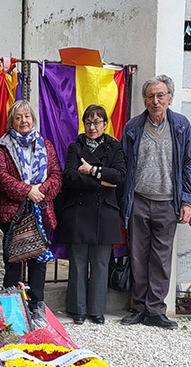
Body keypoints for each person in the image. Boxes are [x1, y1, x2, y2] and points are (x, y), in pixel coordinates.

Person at [119, 75, 191, 329]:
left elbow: (190, 165)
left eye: (160, 95)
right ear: (144, 99)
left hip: (167, 202)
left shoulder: (182, 126)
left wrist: (187, 201)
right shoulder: (133, 127)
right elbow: (125, 166)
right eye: (151, 96)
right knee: (138, 256)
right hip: (139, 200)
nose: (155, 101)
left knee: (161, 258)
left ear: (170, 98)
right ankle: (140, 307)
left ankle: (156, 309)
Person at [59, 105, 126, 324]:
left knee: (100, 262)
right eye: (88, 122)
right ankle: (77, 309)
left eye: (97, 122)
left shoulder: (114, 146)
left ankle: (96, 309)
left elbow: (118, 176)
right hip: (78, 212)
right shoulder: (75, 146)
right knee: (78, 262)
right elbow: (68, 177)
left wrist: (91, 170)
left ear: (105, 124)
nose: (92, 127)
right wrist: (102, 181)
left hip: (104, 212)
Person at [0, 100, 62, 311]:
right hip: (14, 213)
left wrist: (39, 192)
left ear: (33, 119)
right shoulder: (2, 146)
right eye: (18, 117)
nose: (23, 121)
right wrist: (27, 191)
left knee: (38, 262)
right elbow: (2, 177)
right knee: (13, 262)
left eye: (27, 116)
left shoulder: (46, 145)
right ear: (11, 122)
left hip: (40, 211)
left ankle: (36, 306)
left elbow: (56, 176)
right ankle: (11, 308)